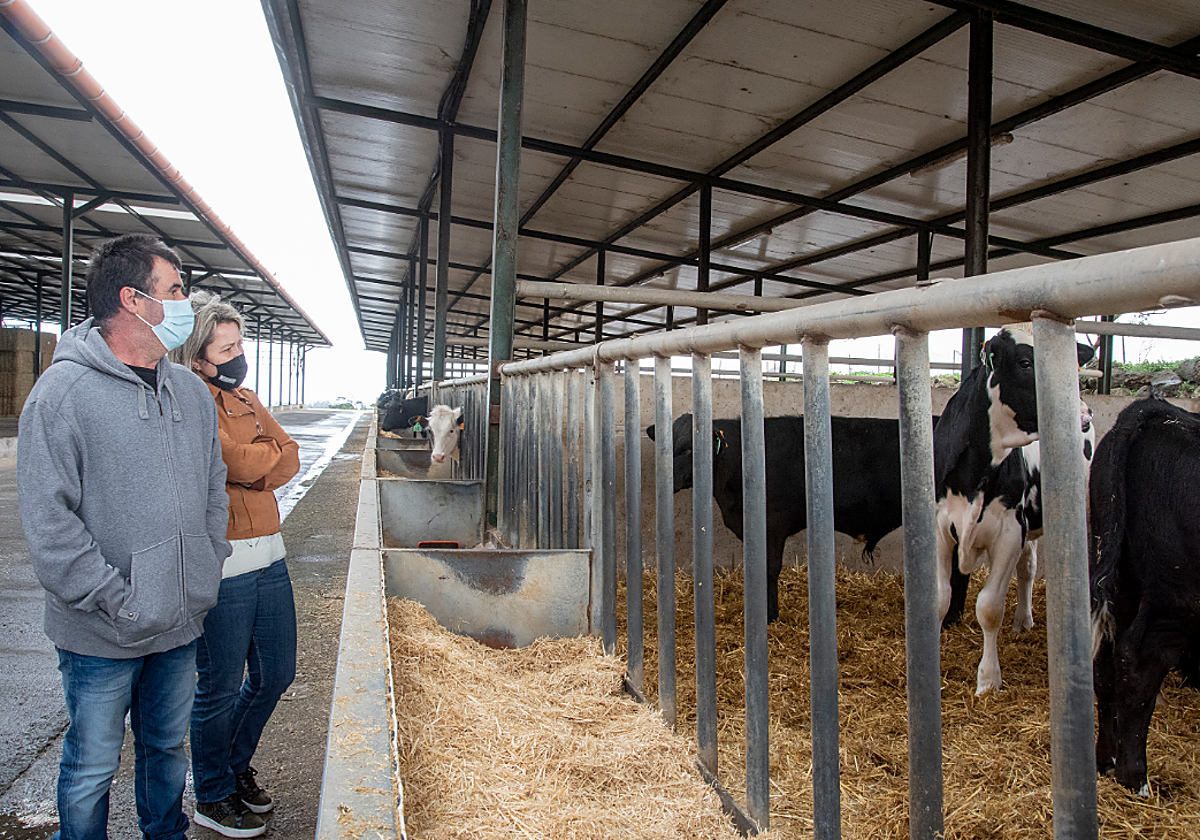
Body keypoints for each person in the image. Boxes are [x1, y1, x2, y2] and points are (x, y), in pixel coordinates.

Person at [17, 234, 231, 840]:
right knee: (91, 765)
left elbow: (213, 486)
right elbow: (50, 525)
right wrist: (120, 600)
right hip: (100, 632)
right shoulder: (62, 396)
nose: (185, 301)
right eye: (175, 290)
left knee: (167, 752)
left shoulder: (189, 391)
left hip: (179, 622)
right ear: (133, 300)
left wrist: (206, 567)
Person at [172, 290, 300, 838]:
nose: (238, 355)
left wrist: (254, 466)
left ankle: (233, 764)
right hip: (222, 563)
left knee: (277, 672)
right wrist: (253, 464)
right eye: (226, 347)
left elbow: (287, 453)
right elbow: (230, 458)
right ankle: (213, 793)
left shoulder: (246, 398)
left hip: (270, 553)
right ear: (198, 355)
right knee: (219, 684)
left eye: (240, 342)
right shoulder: (189, 398)